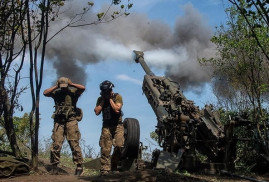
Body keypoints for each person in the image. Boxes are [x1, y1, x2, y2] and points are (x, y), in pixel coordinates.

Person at [43, 77, 85, 176]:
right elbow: (45, 93)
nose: (63, 88)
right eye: (61, 86)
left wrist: (72, 84)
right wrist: (56, 86)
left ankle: (79, 167)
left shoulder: (73, 92)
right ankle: (54, 166)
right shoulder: (56, 92)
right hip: (59, 121)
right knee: (56, 144)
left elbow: (82, 88)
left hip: (71, 120)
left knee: (74, 143)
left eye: (65, 86)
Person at [94, 80, 124, 175]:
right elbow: (97, 112)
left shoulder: (117, 97)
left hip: (117, 125)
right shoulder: (100, 99)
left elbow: (116, 109)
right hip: (106, 126)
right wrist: (103, 100)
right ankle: (105, 169)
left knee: (119, 145)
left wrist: (110, 99)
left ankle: (114, 165)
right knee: (105, 148)